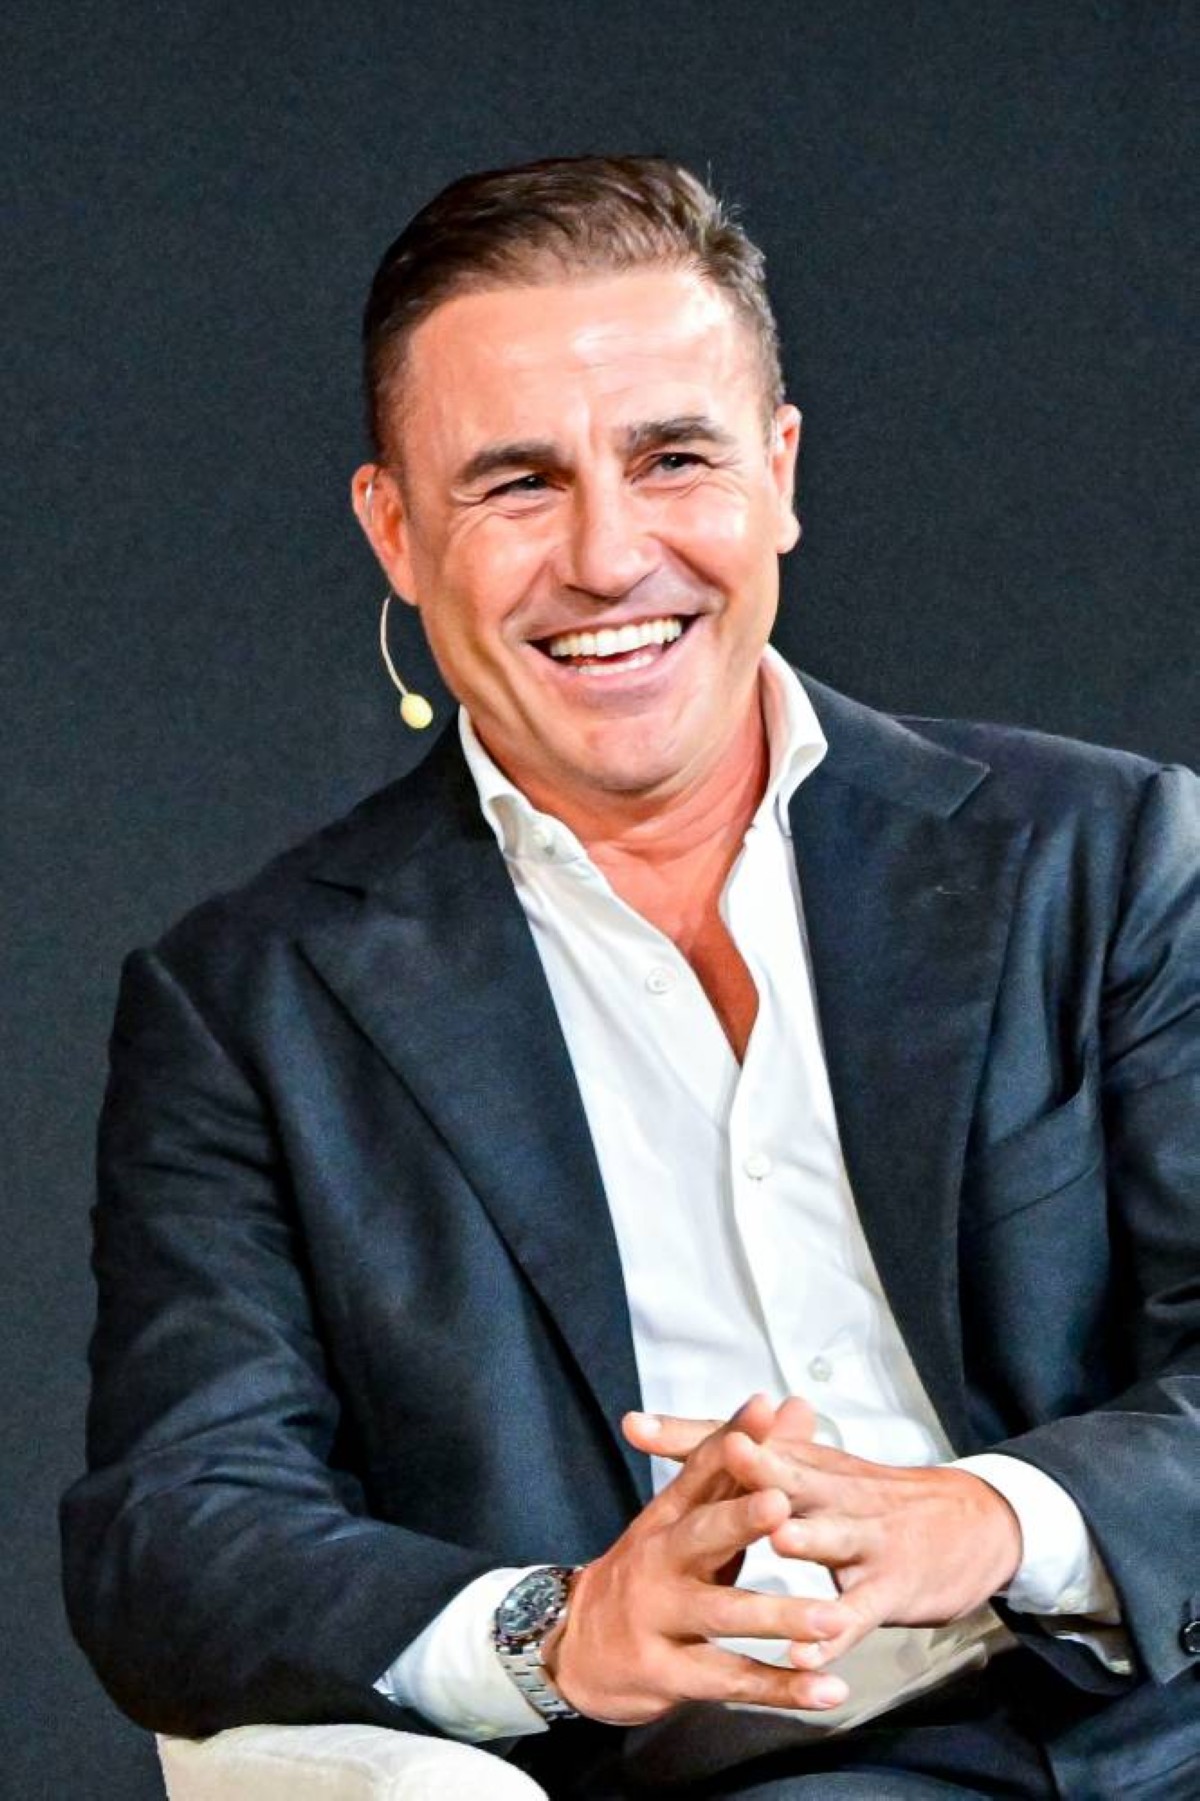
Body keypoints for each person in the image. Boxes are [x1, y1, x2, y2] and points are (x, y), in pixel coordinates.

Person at [61, 155, 1198, 1799]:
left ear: (779, 472)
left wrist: (990, 1516)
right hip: (755, 1769)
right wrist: (562, 1626)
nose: (608, 558)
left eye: (673, 458)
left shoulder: (1102, 854)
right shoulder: (250, 1006)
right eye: (517, 484)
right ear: (394, 531)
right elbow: (176, 1532)